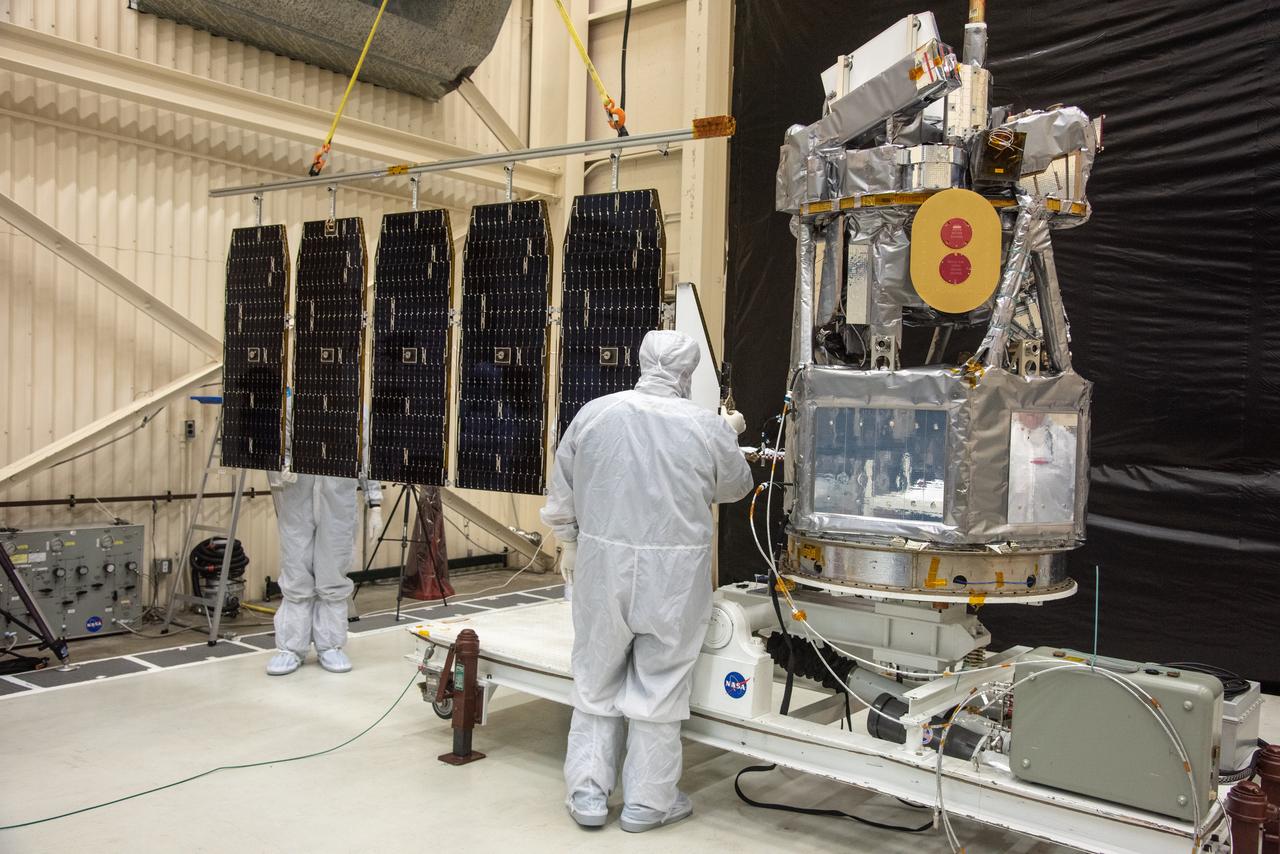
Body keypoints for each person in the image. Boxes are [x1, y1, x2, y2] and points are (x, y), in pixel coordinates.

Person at [541, 330, 753, 832]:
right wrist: (728, 435)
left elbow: (562, 485)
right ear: (688, 372)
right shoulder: (704, 425)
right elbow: (735, 487)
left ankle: (588, 795)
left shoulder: (595, 413)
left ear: (641, 360)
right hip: (673, 578)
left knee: (595, 677)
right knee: (661, 684)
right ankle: (649, 804)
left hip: (602, 568)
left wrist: (568, 541)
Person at [266, 394, 382, 676]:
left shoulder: (355, 409)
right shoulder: (293, 406)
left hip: (338, 505)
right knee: (296, 571)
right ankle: (290, 648)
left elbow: (367, 455)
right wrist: (281, 468)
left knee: (333, 573)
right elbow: (278, 446)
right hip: (298, 504)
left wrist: (375, 503)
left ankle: (330, 645)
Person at [1007, 411, 1078, 524]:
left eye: (1036, 403)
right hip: (1010, 530)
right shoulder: (1003, 442)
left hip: (1054, 531)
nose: (1031, 409)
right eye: (1026, 403)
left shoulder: (1066, 442)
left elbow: (1079, 494)